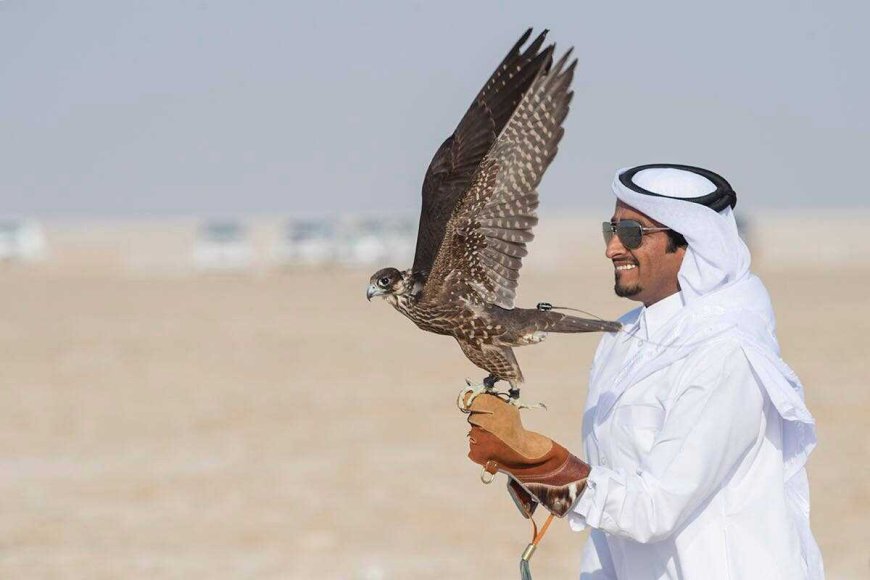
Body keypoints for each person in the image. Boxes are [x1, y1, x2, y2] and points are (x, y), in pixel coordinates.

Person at [464, 164, 824, 579]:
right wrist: (528, 468)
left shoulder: (727, 354)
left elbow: (654, 509)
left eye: (633, 233)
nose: (612, 248)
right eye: (610, 230)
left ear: (689, 244)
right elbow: (611, 524)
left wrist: (536, 459)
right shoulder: (623, 339)